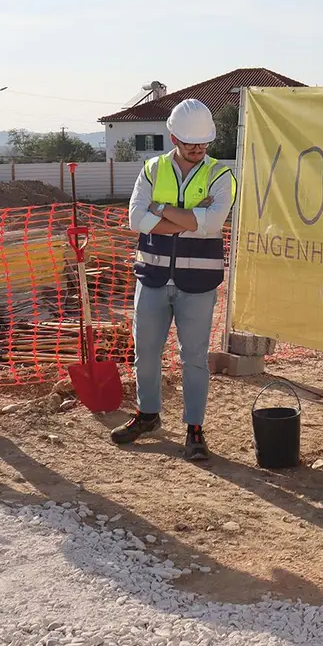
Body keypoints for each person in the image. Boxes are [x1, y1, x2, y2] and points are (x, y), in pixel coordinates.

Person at [117, 98, 236, 460]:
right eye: (190, 143)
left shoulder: (220, 174)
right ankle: (148, 414)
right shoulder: (152, 169)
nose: (198, 149)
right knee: (146, 354)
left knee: (194, 358)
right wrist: (190, 221)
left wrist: (161, 211)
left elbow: (213, 224)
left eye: (203, 143)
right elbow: (136, 220)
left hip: (197, 283)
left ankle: (194, 429)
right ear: (173, 138)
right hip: (151, 277)